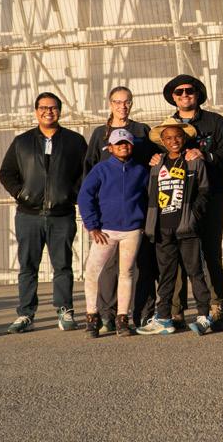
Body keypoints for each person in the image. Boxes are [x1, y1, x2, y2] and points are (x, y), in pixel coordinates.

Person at [0, 92, 88, 334]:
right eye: (43, 107)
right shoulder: (22, 142)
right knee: (28, 266)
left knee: (63, 265)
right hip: (28, 215)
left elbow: (85, 172)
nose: (48, 111)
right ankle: (26, 314)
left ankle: (65, 309)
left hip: (62, 215)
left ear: (60, 110)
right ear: (36, 111)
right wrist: (21, 194)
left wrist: (71, 195)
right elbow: (6, 173)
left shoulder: (74, 141)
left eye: (53, 107)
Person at [162, 74, 223, 330]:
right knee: (176, 255)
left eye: (189, 91)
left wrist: (206, 154)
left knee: (210, 252)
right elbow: (158, 155)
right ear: (173, 97)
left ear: (198, 94)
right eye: (179, 92)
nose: (185, 95)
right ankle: (176, 311)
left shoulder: (215, 122)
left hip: (210, 195)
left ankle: (216, 307)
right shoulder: (166, 126)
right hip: (176, 199)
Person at [83, 86, 155, 333]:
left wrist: (145, 219)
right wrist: (92, 222)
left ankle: (131, 316)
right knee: (100, 270)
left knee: (130, 270)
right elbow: (87, 184)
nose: (122, 106)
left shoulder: (142, 133)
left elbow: (150, 180)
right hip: (105, 223)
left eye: (127, 102)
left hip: (132, 224)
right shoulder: (99, 139)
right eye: (117, 102)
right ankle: (102, 315)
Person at [137, 118, 212, 336]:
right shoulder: (156, 163)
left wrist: (194, 216)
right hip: (162, 229)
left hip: (187, 228)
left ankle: (204, 315)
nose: (174, 141)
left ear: (184, 138)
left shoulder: (193, 161)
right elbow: (150, 194)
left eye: (178, 136)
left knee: (195, 272)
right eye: (168, 138)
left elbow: (205, 191)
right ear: (162, 141)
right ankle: (164, 318)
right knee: (166, 275)